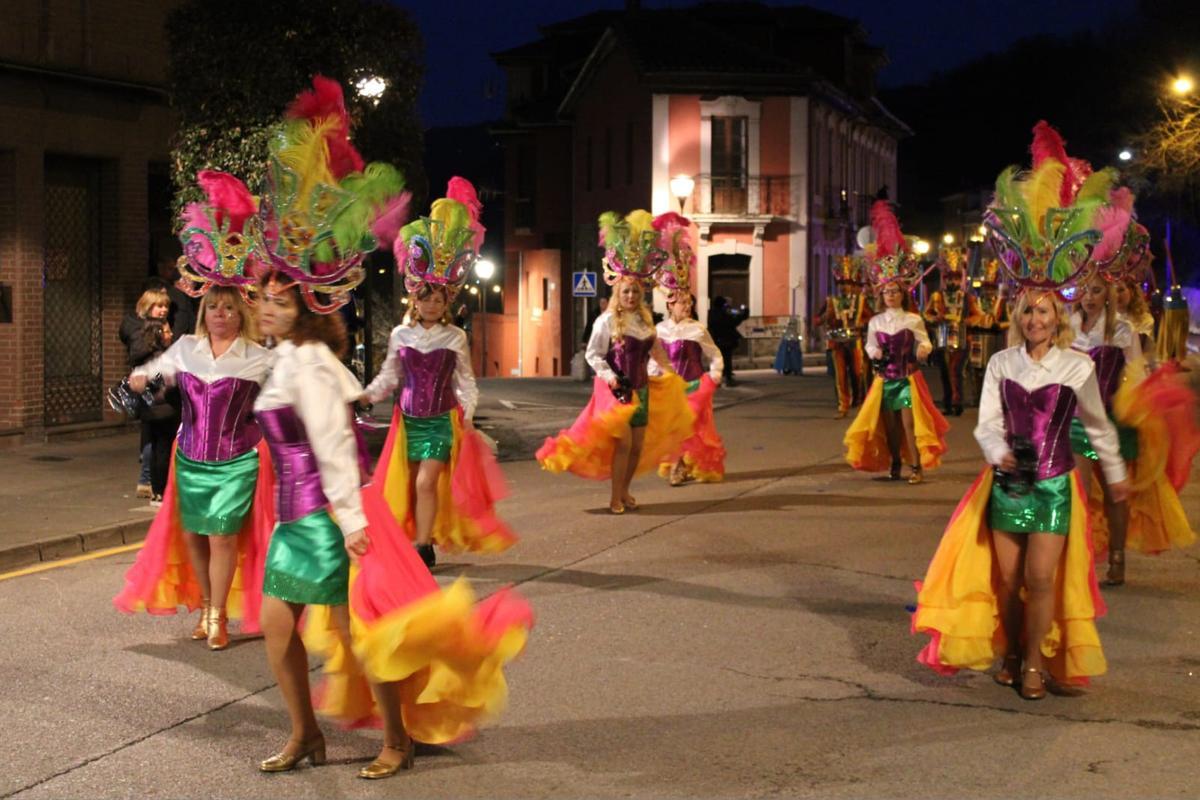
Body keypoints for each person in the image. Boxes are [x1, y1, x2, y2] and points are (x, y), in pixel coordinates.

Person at [247, 77, 532, 779]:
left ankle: (397, 739)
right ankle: (305, 734)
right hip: (293, 522)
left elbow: (338, 449)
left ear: (305, 308)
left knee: (363, 635)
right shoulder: (283, 362)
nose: (263, 309)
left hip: (332, 520)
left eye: (275, 302)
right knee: (281, 632)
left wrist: (350, 522)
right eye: (262, 300)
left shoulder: (312, 366)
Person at [913, 131, 1130, 699]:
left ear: (1056, 316)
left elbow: (1099, 427)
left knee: (1041, 579)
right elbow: (987, 422)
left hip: (1055, 485)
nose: (1034, 318)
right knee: (1008, 580)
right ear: (1018, 314)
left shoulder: (1076, 367)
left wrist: (1115, 474)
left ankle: (1034, 661)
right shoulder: (1002, 362)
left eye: (1043, 310)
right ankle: (1009, 650)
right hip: (1009, 482)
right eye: (1027, 309)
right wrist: (999, 453)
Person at [113, 170, 275, 651]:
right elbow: (154, 377)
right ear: (205, 310)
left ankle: (220, 614)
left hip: (238, 461)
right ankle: (206, 606)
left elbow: (282, 401)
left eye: (229, 308)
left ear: (240, 312)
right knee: (196, 539)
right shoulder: (185, 348)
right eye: (215, 307)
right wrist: (138, 383)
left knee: (224, 537)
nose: (221, 314)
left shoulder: (259, 358)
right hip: (191, 458)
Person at [362, 178, 517, 569]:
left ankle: (423, 544)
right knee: (409, 484)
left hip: (440, 421)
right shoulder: (401, 334)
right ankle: (411, 535)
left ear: (448, 299)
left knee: (427, 481)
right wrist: (366, 396)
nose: (431, 303)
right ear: (414, 297)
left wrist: (465, 412)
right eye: (424, 296)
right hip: (407, 421)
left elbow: (466, 382)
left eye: (438, 297)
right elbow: (389, 377)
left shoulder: (454, 338)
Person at [537, 209, 693, 513]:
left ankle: (625, 491)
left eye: (635, 291)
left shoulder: (645, 322)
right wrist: (609, 377)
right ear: (617, 293)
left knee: (636, 447)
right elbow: (593, 354)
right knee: (622, 444)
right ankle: (614, 497)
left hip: (642, 389)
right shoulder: (606, 321)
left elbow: (655, 351)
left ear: (641, 293)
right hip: (615, 391)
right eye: (626, 291)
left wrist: (670, 373)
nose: (631, 295)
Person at [844, 199, 949, 484]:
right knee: (888, 427)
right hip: (883, 379)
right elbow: (869, 345)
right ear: (882, 295)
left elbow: (924, 342)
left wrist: (925, 350)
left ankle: (916, 467)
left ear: (903, 294)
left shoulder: (912, 320)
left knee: (910, 423)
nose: (891, 295)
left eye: (895, 291)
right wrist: (873, 350)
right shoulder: (875, 322)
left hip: (907, 379)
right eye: (887, 292)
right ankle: (894, 463)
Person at [648, 212, 725, 485]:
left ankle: (680, 466)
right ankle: (679, 464)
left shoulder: (697, 329)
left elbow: (714, 354)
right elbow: (653, 358)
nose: (687, 306)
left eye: (689, 302)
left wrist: (714, 376)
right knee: (672, 429)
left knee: (691, 428)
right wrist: (652, 376)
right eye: (682, 303)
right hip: (669, 386)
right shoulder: (659, 331)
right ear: (670, 305)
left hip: (693, 385)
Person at [120, 286, 173, 498]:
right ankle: (151, 483)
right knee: (157, 441)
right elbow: (143, 358)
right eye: (159, 306)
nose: (163, 310)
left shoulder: (150, 328)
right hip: (156, 396)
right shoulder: (148, 331)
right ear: (147, 307)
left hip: (155, 396)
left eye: (165, 306)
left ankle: (148, 482)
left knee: (152, 438)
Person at [923, 248, 978, 416]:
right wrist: (935, 318)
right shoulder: (937, 296)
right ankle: (948, 403)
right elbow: (926, 313)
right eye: (949, 278)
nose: (952, 281)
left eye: (955, 277)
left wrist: (966, 321)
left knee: (956, 370)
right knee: (945, 371)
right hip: (942, 336)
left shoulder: (968, 297)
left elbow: (978, 315)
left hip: (962, 338)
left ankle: (957, 402)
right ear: (944, 279)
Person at [818, 256, 872, 417]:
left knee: (857, 373)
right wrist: (825, 318)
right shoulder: (830, 301)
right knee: (840, 375)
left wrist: (862, 322)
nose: (844, 287)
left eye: (847, 284)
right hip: (837, 342)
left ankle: (860, 401)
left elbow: (871, 316)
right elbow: (816, 320)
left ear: (852, 285)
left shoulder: (861, 301)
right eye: (842, 284)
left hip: (855, 341)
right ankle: (843, 406)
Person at [965, 259, 1010, 404]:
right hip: (978, 338)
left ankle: (992, 399)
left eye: (991, 289)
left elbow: (1010, 321)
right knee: (976, 369)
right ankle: (977, 397)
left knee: (994, 370)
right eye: (986, 288)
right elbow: (966, 319)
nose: (988, 291)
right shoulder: (974, 302)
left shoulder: (1002, 303)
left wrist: (999, 325)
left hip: (994, 338)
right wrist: (976, 322)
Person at [707, 295, 747, 386]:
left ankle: (717, 379)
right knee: (727, 359)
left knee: (717, 360)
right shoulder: (723, 313)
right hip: (725, 340)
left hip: (716, 340)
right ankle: (727, 379)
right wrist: (742, 315)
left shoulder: (711, 313)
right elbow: (732, 322)